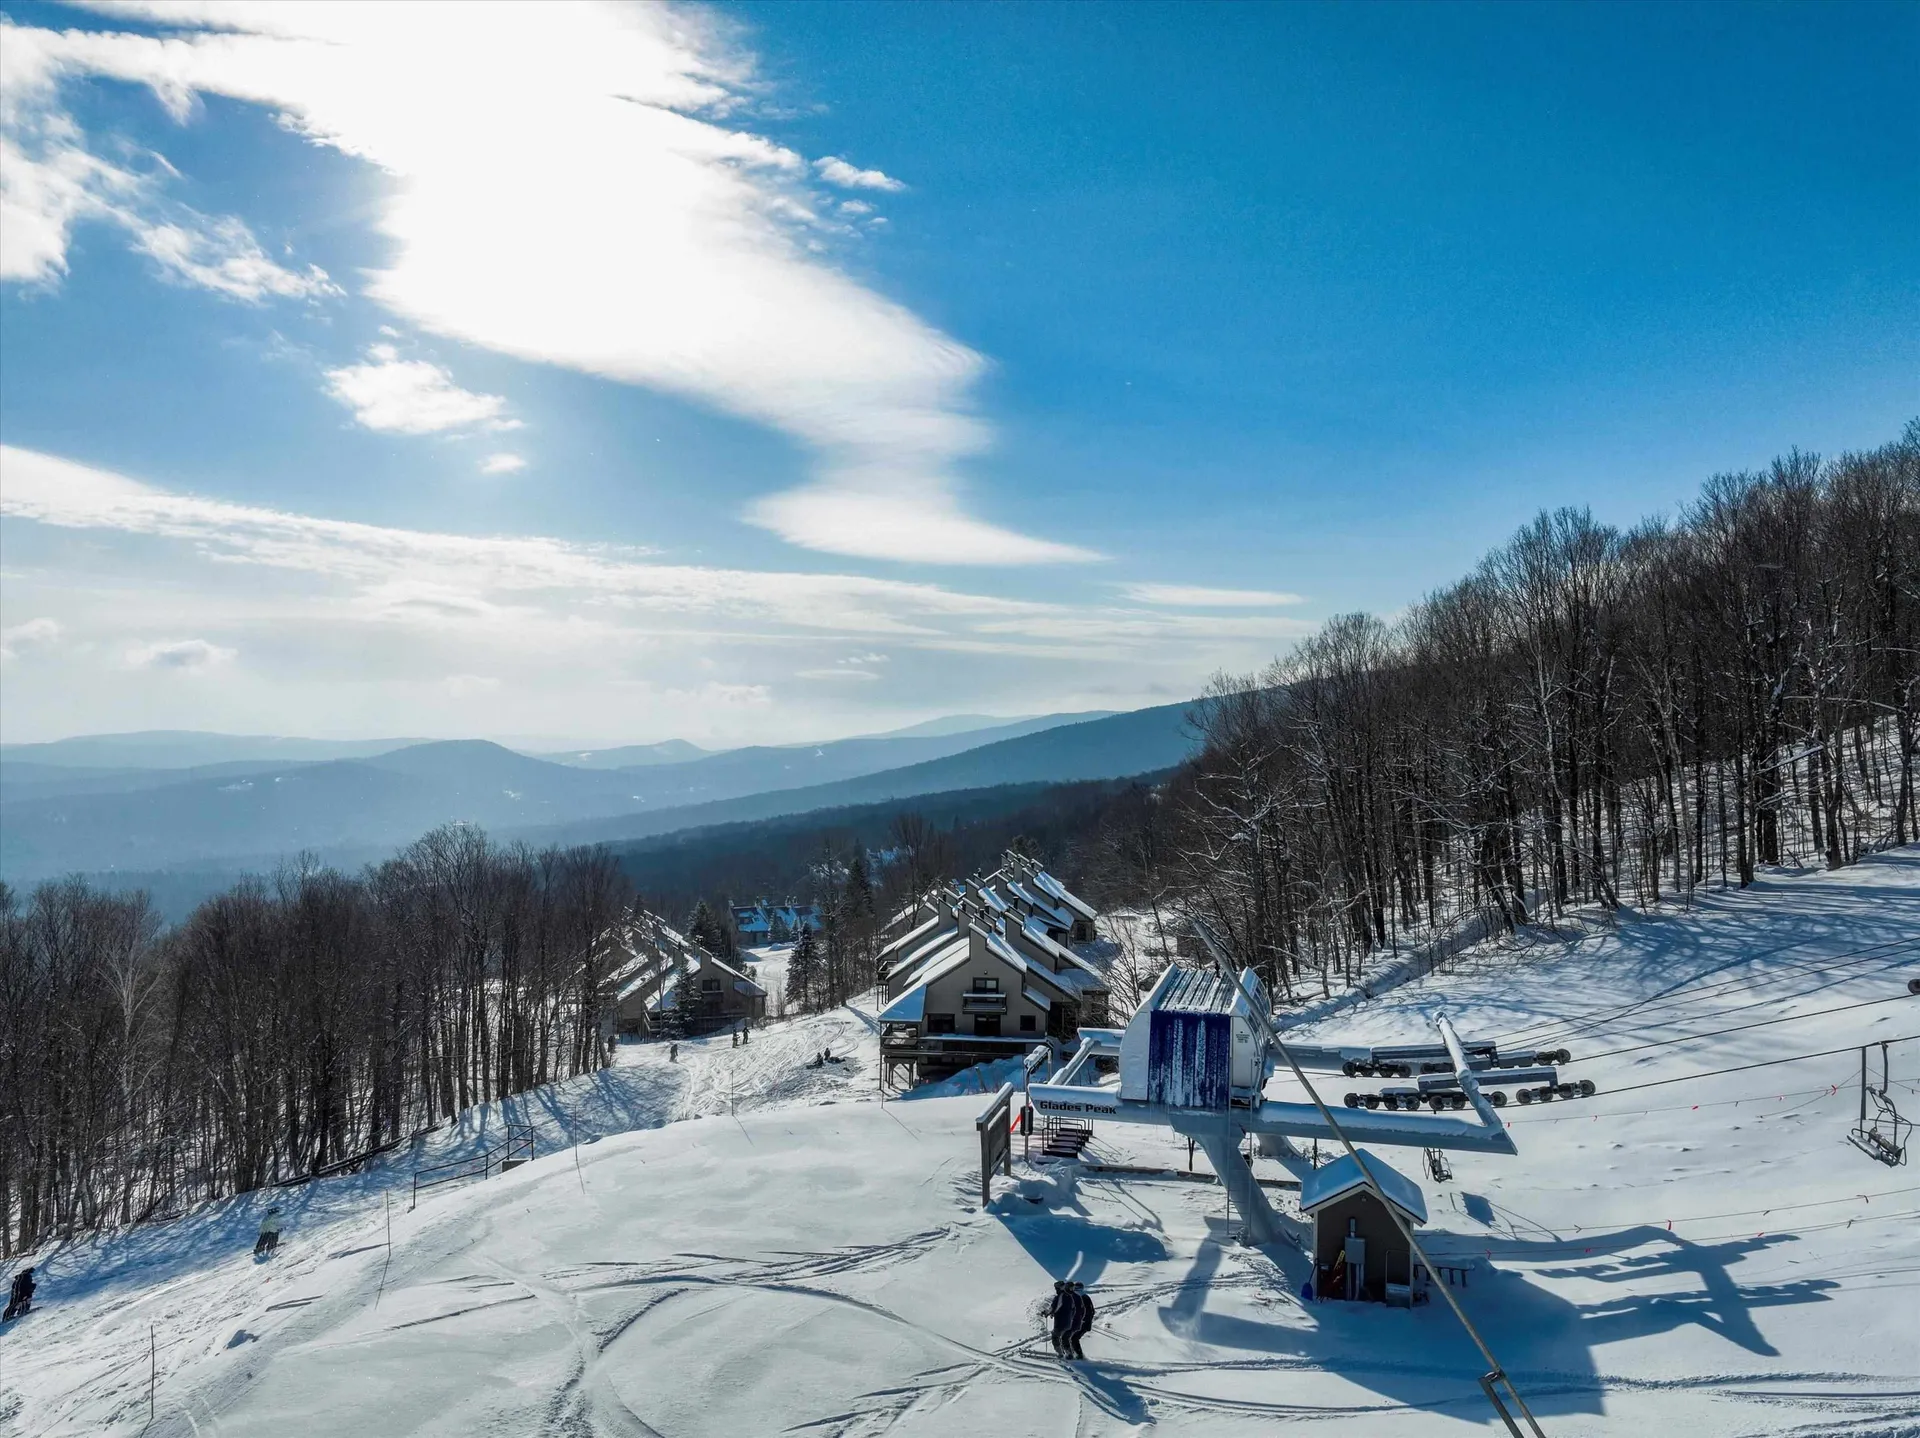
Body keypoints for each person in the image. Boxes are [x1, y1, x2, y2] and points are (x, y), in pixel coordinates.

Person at [1066, 1281, 1095, 1360]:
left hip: (1083, 1323)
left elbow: (1090, 1312)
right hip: (1081, 1323)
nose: (1074, 1290)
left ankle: (1079, 1355)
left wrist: (1083, 1320)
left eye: (1076, 1288)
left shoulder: (1083, 1298)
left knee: (1073, 1338)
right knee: (1072, 1337)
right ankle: (1075, 1353)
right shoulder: (1081, 1297)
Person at [1045, 1280, 1072, 1357]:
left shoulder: (1059, 1297)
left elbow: (1054, 1307)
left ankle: (1060, 1353)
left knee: (1055, 1336)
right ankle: (1069, 1353)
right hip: (1068, 1322)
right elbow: (1071, 1309)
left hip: (1060, 1322)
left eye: (1056, 1288)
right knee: (1065, 1337)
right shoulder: (1069, 1296)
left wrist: (1047, 1313)